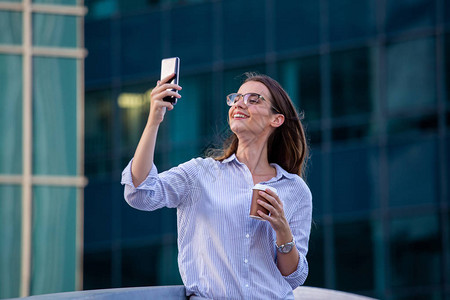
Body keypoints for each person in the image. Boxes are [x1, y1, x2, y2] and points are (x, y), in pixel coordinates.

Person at [121, 72, 312, 300]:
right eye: (236, 98)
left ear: (276, 119)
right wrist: (154, 120)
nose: (240, 104)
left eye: (253, 99)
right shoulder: (200, 174)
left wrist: (282, 229)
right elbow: (140, 194)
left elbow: (294, 277)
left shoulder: (295, 189)